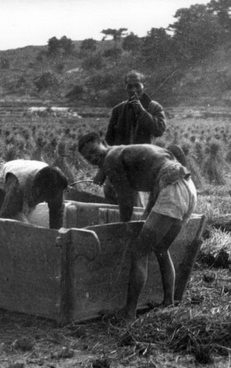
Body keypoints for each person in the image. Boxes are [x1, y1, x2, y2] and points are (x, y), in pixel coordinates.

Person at [78, 132, 197, 320]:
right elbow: (155, 190)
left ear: (103, 142)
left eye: (94, 151)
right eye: (88, 157)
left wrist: (124, 229)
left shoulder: (111, 158)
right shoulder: (124, 153)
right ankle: (168, 303)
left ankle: (129, 311)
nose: (93, 158)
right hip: (187, 187)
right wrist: (144, 218)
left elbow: (125, 200)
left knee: (139, 252)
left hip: (171, 189)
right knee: (160, 248)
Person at [104, 71, 167, 207]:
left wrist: (141, 112)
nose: (133, 90)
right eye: (129, 86)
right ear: (125, 87)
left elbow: (159, 130)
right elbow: (109, 140)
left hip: (143, 165)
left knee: (138, 204)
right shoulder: (118, 110)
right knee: (113, 200)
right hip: (120, 165)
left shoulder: (154, 107)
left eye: (137, 85)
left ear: (144, 86)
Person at [0, 159, 68, 229]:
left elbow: (56, 213)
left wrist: (55, 236)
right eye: (45, 197)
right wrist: (32, 231)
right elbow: (7, 215)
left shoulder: (56, 184)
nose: (47, 200)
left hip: (26, 171)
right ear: (38, 189)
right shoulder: (18, 184)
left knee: (25, 211)